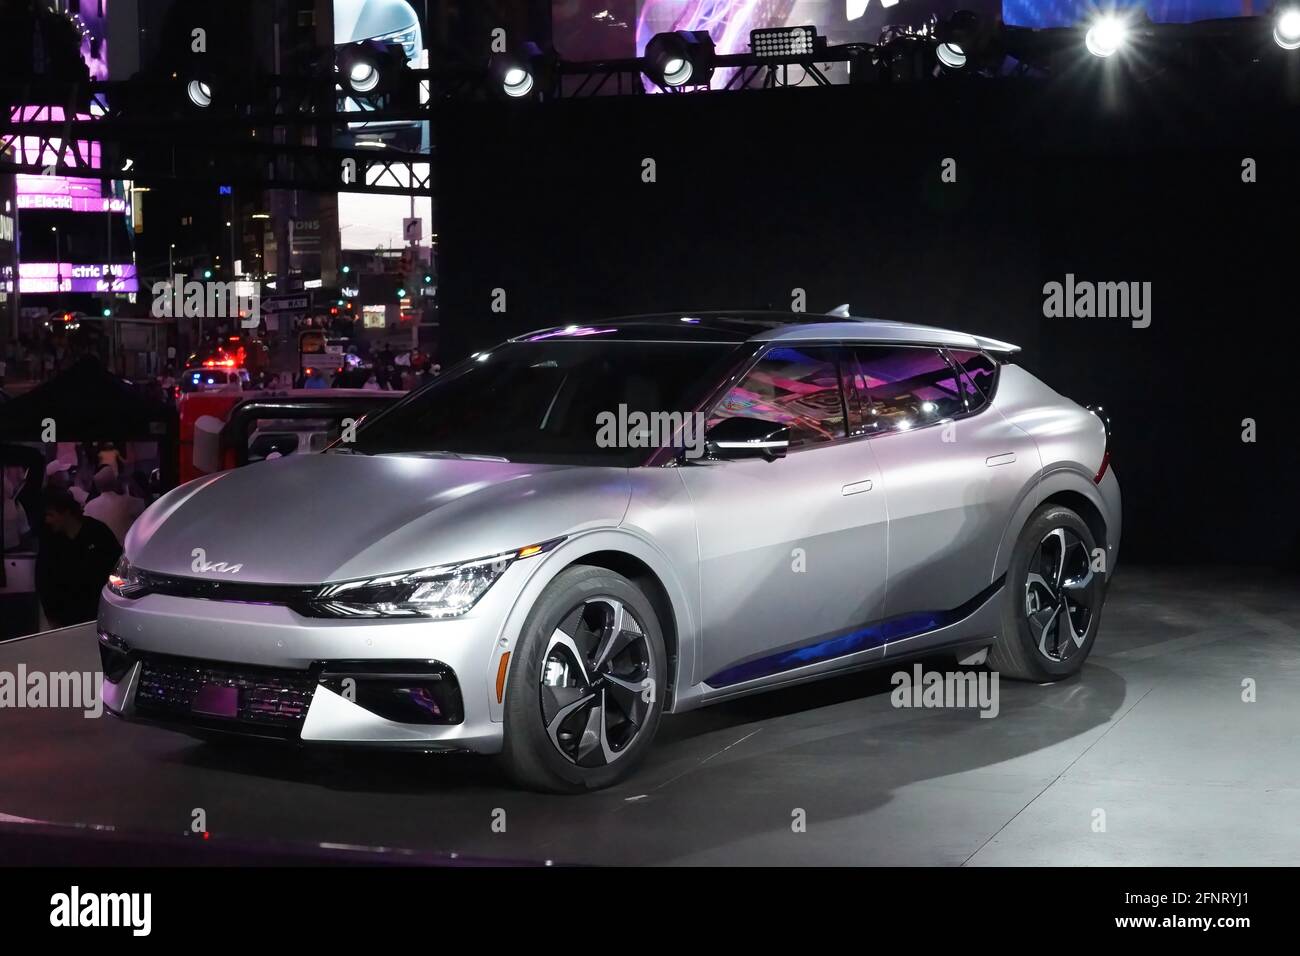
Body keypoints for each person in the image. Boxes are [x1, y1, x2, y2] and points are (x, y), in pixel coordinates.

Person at [35, 488, 121, 628]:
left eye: (51, 515)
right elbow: (44, 580)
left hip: (98, 616)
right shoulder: (50, 541)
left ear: (66, 513)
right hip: (65, 620)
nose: (47, 520)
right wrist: (51, 615)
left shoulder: (97, 532)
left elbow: (115, 568)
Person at [83, 466, 144, 545]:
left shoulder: (88, 507)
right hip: (126, 550)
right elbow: (145, 511)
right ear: (116, 482)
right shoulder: (128, 502)